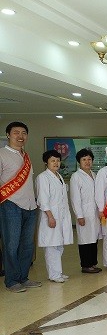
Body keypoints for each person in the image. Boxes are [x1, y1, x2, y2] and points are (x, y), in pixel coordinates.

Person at [0, 122, 41, 292]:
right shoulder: (2, 154)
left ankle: (23, 277)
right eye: (16, 132)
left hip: (30, 206)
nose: (20, 136)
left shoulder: (26, 156)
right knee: (11, 244)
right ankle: (11, 281)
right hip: (10, 205)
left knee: (27, 245)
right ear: (8, 135)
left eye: (24, 133)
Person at [36, 150, 73, 283]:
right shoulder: (43, 177)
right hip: (51, 215)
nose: (56, 163)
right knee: (52, 246)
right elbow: (43, 200)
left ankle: (58, 272)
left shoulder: (59, 176)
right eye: (53, 160)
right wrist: (50, 217)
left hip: (62, 215)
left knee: (59, 244)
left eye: (58, 160)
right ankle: (54, 274)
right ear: (46, 162)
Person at [70, 148, 102, 274]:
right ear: (79, 162)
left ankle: (93, 263)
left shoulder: (94, 175)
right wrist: (79, 215)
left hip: (95, 212)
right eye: (84, 159)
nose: (87, 162)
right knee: (85, 239)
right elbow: (75, 198)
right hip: (84, 212)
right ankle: (86, 265)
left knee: (94, 238)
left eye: (89, 159)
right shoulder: (76, 177)